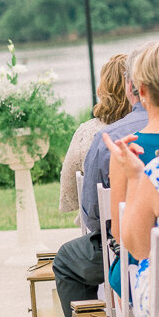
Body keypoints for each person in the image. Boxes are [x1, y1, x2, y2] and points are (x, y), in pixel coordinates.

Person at [53, 44, 151, 317]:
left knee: (66, 260)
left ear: (134, 87)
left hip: (129, 254)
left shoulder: (109, 139)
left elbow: (95, 215)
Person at [104, 42, 159, 317]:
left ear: (140, 91)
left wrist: (133, 178)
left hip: (152, 283)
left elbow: (125, 238)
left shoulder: (127, 153)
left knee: (124, 274)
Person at [58, 53, 128, 214]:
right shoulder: (149, 126)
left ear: (102, 89)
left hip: (102, 228)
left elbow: (70, 197)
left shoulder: (87, 132)